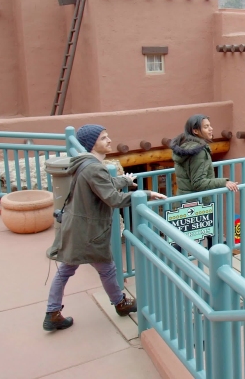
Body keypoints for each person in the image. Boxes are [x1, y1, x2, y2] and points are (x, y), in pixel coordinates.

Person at [43, 124, 166, 331]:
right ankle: (120, 303)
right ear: (92, 144)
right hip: (88, 231)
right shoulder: (94, 167)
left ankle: (53, 312)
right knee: (106, 268)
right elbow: (112, 198)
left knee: (67, 269)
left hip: (77, 226)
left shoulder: (85, 164)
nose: (109, 140)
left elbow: (102, 184)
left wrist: (123, 180)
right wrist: (145, 194)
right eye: (103, 138)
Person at [170, 114, 239, 201]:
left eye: (210, 125)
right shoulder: (199, 152)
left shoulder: (185, 145)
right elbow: (199, 183)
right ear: (195, 131)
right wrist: (224, 182)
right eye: (206, 127)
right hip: (197, 205)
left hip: (184, 201)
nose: (211, 128)